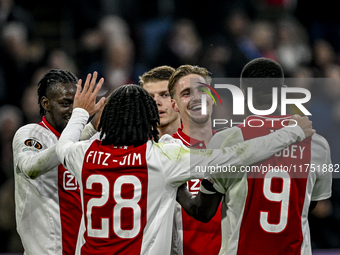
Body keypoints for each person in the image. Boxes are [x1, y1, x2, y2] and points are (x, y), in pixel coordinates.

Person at [55, 76, 314, 254]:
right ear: (149, 118)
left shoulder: (83, 154)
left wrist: (80, 112)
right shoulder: (163, 157)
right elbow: (236, 155)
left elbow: (62, 146)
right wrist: (291, 134)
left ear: (108, 119)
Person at [177, 58, 332, 255]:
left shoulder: (226, 141)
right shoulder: (317, 144)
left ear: (243, 93)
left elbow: (204, 211)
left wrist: (177, 186)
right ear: (283, 91)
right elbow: (310, 205)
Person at [12, 69, 105, 255]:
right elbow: (31, 168)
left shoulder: (83, 142)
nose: (73, 110)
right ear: (46, 103)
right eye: (65, 103)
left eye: (76, 104)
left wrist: (93, 127)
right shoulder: (30, 134)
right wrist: (81, 121)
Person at [167, 64, 221, 255]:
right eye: (186, 93)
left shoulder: (233, 147)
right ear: (174, 105)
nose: (197, 98)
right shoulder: (164, 152)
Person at [139, 65, 181, 137]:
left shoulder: (200, 144)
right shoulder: (130, 145)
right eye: (150, 97)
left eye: (165, 95)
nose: (156, 102)